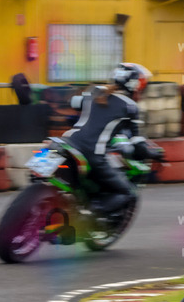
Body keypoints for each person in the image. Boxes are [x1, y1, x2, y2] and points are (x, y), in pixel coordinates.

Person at [65, 63, 164, 216]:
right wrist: (154, 154)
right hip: (92, 153)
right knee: (128, 193)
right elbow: (138, 144)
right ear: (135, 85)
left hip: (67, 142)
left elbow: (74, 103)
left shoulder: (94, 92)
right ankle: (89, 216)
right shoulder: (130, 106)